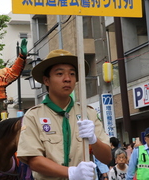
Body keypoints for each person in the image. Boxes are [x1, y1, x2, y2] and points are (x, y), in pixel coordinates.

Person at [17, 49, 111, 180]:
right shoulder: (33, 116)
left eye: (72, 74)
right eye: (60, 74)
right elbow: (34, 161)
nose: (67, 79)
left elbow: (106, 158)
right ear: (46, 80)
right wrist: (71, 173)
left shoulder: (88, 113)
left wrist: (94, 140)